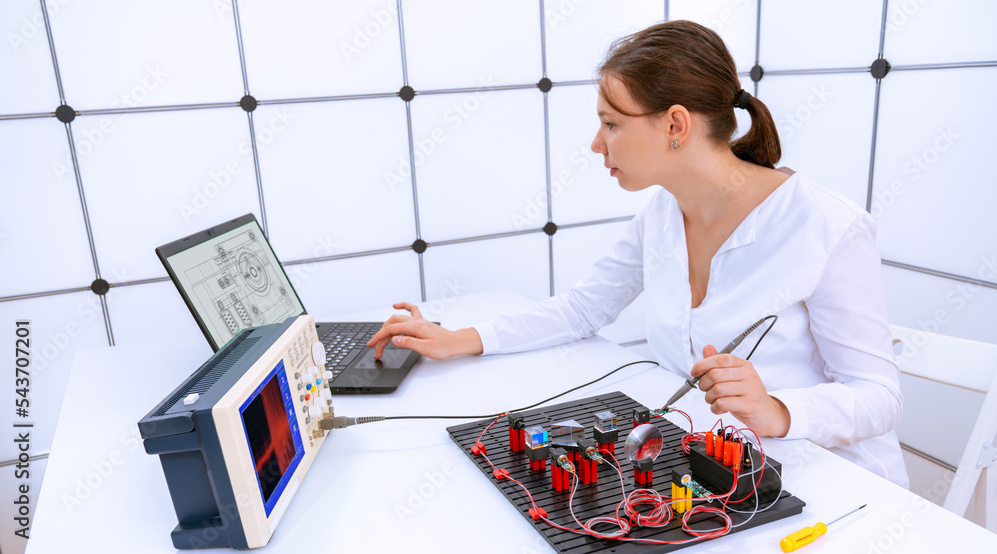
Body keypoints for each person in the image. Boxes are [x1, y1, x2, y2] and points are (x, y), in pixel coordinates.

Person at [366, 20, 908, 487]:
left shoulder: (826, 226)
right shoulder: (663, 213)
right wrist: (460, 339)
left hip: (832, 481)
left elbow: (880, 397)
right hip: (713, 466)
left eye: (611, 124)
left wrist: (780, 410)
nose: (597, 144)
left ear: (675, 125)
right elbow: (585, 309)